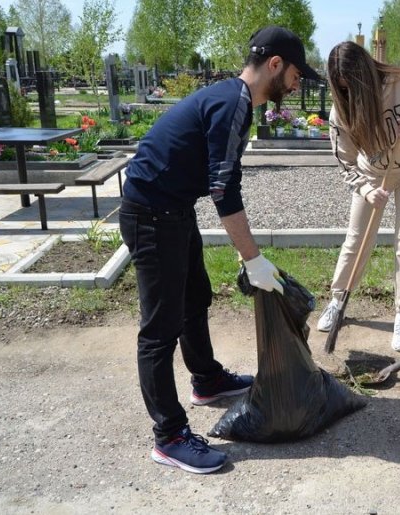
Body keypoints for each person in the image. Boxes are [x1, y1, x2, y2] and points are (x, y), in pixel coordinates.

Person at [119, 25, 320, 474]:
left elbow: (219, 179)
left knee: (195, 300)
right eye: (295, 73)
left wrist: (246, 251)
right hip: (150, 214)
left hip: (170, 208)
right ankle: (169, 436)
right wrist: (252, 257)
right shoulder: (234, 103)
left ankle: (206, 380)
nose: (297, 82)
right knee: (158, 330)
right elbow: (223, 189)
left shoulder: (235, 100)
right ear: (275, 64)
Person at [316, 41, 400, 352]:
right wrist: (366, 189)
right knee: (357, 240)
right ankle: (338, 300)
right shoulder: (341, 109)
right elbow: (344, 160)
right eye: (343, 89)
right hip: (372, 175)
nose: (350, 96)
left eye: (353, 87)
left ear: (367, 75)